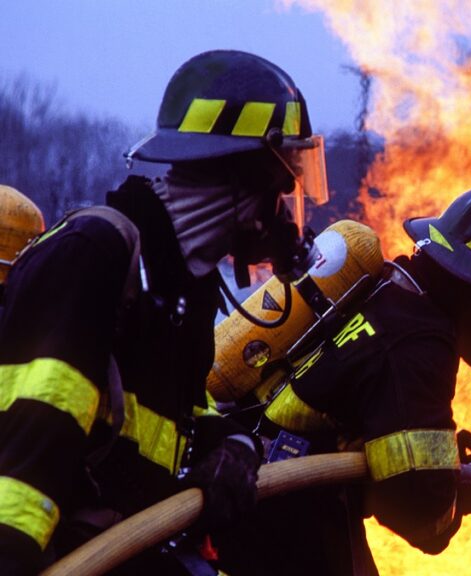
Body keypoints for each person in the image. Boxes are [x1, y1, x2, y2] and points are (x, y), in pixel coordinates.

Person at [0, 49, 328, 574]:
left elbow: (178, 421)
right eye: (283, 182)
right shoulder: (96, 252)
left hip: (131, 545)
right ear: (241, 175)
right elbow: (32, 434)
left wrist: (237, 446)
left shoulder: (177, 287)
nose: (288, 210)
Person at [214, 184, 471, 575]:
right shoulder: (418, 346)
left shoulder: (390, 292)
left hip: (257, 493)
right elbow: (422, 515)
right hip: (274, 526)